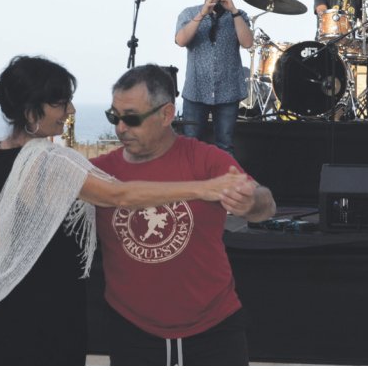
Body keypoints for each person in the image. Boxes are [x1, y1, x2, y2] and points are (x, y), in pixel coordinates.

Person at [0, 56, 247, 365]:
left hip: (0, 306)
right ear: (32, 112)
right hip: (43, 312)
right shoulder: (50, 159)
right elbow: (119, 195)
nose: (70, 110)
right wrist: (204, 187)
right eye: (61, 103)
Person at [91, 64, 275, 365]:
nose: (120, 128)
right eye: (114, 116)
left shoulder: (206, 158)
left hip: (214, 329)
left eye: (131, 118)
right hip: (132, 331)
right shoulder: (101, 171)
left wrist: (250, 203)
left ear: (166, 115)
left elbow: (266, 204)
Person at [175, 0, 254, 154]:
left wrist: (233, 11)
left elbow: (248, 42)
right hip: (196, 91)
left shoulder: (239, 15)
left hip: (228, 90)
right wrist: (202, 14)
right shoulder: (189, 13)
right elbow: (180, 40)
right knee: (191, 146)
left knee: (225, 146)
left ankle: (224, 184)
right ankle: (192, 183)